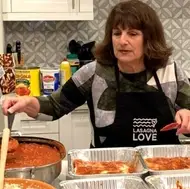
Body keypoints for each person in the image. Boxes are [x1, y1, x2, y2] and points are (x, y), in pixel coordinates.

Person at [2, 0, 190, 148]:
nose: (122, 41)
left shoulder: (171, 71)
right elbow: (54, 106)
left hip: (163, 169)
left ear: (149, 38)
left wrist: (187, 116)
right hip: (106, 170)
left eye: (132, 34)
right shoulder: (94, 72)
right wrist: (27, 103)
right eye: (117, 33)